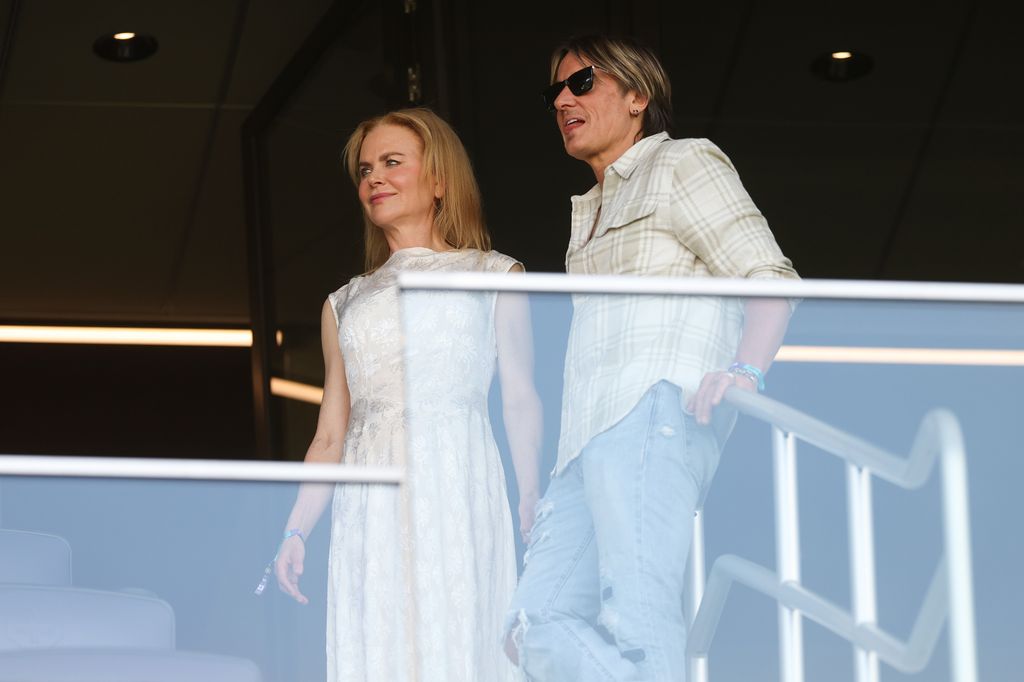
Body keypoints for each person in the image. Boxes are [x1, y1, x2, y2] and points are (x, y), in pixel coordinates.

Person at [504, 36, 800, 681]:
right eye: (553, 90)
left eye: (582, 82)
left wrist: (745, 371)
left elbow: (769, 276)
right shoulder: (586, 210)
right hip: (583, 442)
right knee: (532, 626)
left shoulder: (683, 163)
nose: (562, 98)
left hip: (655, 412)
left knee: (637, 620)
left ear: (638, 96)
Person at [274, 107, 541, 682]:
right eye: (366, 169)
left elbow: (520, 397)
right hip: (369, 501)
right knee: (383, 643)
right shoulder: (342, 303)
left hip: (459, 482)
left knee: (460, 635)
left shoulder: (497, 275)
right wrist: (296, 530)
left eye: (393, 162)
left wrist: (530, 495)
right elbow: (328, 434)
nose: (374, 178)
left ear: (439, 180)